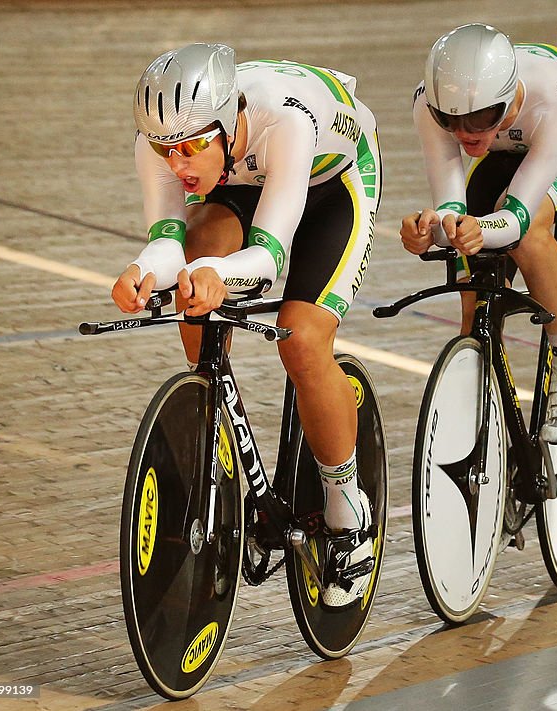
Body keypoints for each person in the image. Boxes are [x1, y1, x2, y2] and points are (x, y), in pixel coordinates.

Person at [112, 43, 382, 608]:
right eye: (166, 151)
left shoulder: (285, 121)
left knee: (302, 340)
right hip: (239, 183)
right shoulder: (161, 140)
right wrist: (142, 271)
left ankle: (345, 502)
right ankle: (211, 412)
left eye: (189, 148)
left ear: (228, 120)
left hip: (334, 185)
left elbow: (269, 257)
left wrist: (213, 274)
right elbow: (167, 243)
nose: (177, 165)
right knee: (196, 269)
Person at [400, 23, 557, 444]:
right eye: (451, 120)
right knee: (473, 295)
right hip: (504, 149)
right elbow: (450, 207)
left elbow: (515, 218)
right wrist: (429, 231)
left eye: (478, 117)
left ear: (506, 97)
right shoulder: (429, 103)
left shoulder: (554, 97)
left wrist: (481, 227)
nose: (463, 133)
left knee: (530, 230)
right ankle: (483, 410)